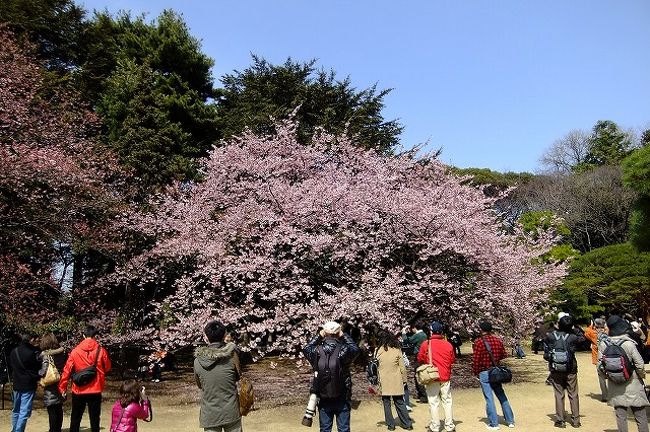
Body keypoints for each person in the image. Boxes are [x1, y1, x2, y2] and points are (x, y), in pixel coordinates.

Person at [303, 320, 360, 432]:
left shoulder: (317, 351)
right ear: (338, 333)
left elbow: (306, 348)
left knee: (325, 429)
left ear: (325, 332)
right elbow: (355, 350)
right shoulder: (344, 350)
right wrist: (343, 336)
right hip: (342, 396)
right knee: (344, 429)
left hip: (324, 397)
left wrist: (319, 335)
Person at [599, 315, 649, 432]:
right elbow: (640, 365)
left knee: (621, 417)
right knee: (640, 416)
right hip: (633, 383)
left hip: (614, 385)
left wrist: (609, 376)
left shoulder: (604, 344)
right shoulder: (629, 343)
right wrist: (641, 376)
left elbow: (600, 367)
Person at [59, 325, 112, 432]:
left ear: (83, 335)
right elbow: (107, 367)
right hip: (95, 388)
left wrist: (62, 387)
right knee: (95, 418)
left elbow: (67, 370)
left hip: (78, 389)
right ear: (95, 336)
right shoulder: (101, 351)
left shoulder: (75, 351)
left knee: (76, 417)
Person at [194, 320, 242, 432]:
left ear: (206, 337)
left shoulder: (197, 361)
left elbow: (200, 385)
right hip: (231, 411)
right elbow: (238, 377)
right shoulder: (232, 357)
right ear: (225, 335)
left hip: (209, 413)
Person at [472, 320, 515, 430]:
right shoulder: (497, 340)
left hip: (485, 372)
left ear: (481, 330)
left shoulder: (478, 342)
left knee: (489, 398)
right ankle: (510, 420)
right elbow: (504, 354)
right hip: (496, 372)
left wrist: (476, 372)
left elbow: (476, 360)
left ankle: (494, 424)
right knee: (501, 395)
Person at [544, 314, 583, 428]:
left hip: (556, 368)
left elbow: (547, 352)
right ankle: (576, 420)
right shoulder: (573, 337)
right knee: (573, 394)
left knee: (559, 394)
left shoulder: (551, 336)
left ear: (559, 324)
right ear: (570, 326)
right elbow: (583, 337)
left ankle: (560, 420)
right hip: (571, 368)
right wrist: (574, 328)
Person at [418, 321, 456, 432]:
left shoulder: (426, 344)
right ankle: (449, 426)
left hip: (432, 376)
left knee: (433, 402)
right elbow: (452, 359)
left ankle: (435, 426)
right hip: (445, 376)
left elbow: (420, 358)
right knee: (447, 401)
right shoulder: (448, 344)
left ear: (431, 331)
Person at [375, 331, 413, 431]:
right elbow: (402, 367)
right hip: (396, 379)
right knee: (399, 402)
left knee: (386, 403)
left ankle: (390, 425)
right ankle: (407, 424)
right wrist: (404, 380)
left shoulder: (377, 350)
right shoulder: (397, 350)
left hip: (383, 380)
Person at [9, 332, 41, 432]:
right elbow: (36, 368)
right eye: (35, 339)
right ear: (31, 340)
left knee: (16, 410)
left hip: (16, 384)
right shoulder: (31, 353)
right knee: (24, 412)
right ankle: (18, 431)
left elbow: (12, 366)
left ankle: (14, 429)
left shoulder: (14, 351)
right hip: (28, 385)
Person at [39, 334, 66, 432]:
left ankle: (53, 430)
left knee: (52, 410)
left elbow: (44, 370)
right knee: (59, 408)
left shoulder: (46, 355)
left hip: (50, 384)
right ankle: (58, 429)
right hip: (60, 382)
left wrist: (38, 374)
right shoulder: (61, 353)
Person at [402, 322, 428, 402]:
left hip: (419, 357)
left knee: (418, 376)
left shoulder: (418, 335)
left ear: (414, 328)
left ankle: (423, 396)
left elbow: (407, 341)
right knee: (420, 375)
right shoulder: (424, 334)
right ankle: (421, 394)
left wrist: (403, 333)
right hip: (423, 356)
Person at [584, 317, 609, 401]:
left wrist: (591, 325)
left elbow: (586, 332)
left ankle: (605, 396)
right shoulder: (608, 332)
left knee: (601, 378)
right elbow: (607, 329)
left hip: (598, 358)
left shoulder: (592, 333)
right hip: (609, 357)